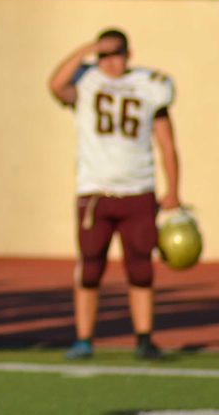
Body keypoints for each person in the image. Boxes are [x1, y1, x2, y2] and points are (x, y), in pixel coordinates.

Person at [48, 29, 180, 361]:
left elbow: (167, 143)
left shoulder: (151, 85)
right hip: (96, 190)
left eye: (116, 53)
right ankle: (83, 339)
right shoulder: (87, 79)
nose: (110, 61)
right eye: (104, 55)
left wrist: (174, 189)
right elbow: (54, 84)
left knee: (140, 267)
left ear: (129, 53)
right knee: (90, 266)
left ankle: (144, 338)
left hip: (138, 188)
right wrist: (88, 49)